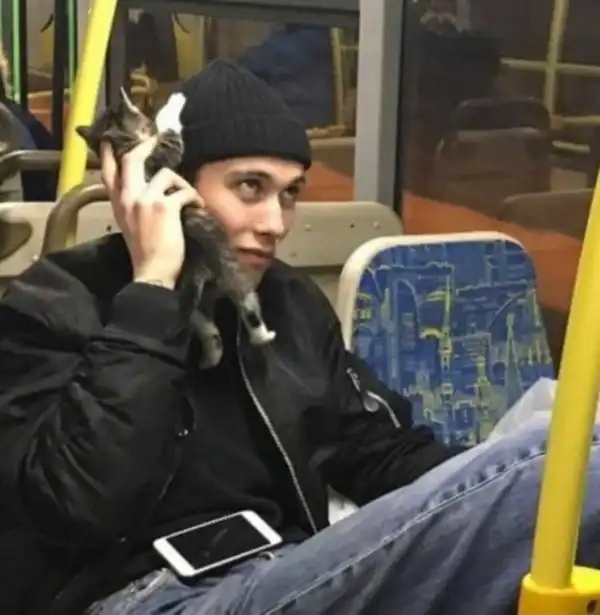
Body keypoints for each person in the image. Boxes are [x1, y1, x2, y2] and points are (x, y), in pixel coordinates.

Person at [1, 59, 600, 615]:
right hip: (139, 597)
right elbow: (77, 507)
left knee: (576, 462)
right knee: (558, 462)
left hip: (281, 569)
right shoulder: (56, 301)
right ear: (169, 187)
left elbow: (376, 450)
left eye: (289, 193)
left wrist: (478, 495)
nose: (275, 223)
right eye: (250, 187)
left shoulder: (288, 302)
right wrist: (154, 289)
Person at [237, 24, 335, 129]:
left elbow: (271, 57)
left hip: (303, 114)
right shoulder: (290, 32)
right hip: (296, 112)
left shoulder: (313, 34)